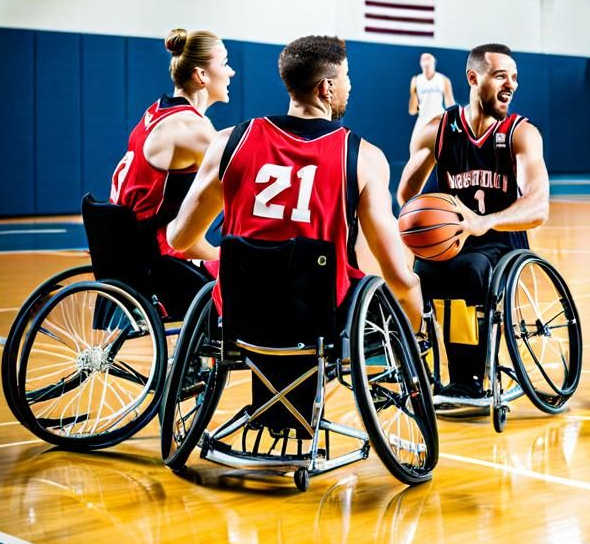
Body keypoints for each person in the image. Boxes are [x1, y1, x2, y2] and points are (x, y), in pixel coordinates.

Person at [168, 35, 423, 330]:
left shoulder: (230, 142)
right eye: (346, 76)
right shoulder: (363, 157)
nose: (349, 85)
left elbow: (179, 239)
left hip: (240, 318)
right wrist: (418, 321)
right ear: (326, 88)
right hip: (321, 323)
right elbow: (397, 278)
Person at [397, 43, 549, 400]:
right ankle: (420, 363)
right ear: (473, 78)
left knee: (470, 270)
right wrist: (428, 217)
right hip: (453, 240)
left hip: (500, 240)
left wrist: (485, 221)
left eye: (514, 78)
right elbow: (406, 195)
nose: (511, 85)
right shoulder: (438, 129)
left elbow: (538, 206)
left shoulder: (521, 133)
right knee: (419, 272)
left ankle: (469, 376)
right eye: (501, 76)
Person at [109, 28, 233, 273]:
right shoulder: (190, 127)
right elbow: (241, 178)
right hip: (155, 257)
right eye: (224, 63)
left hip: (129, 245)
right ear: (201, 75)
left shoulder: (158, 111)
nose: (231, 72)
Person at [408, 52, 454, 145]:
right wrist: (414, 92)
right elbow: (413, 111)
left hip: (438, 120)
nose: (425, 59)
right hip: (422, 121)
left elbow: (450, 104)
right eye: (422, 58)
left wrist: (454, 122)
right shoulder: (416, 80)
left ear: (434, 61)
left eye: (428, 57)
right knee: (414, 146)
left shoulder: (444, 80)